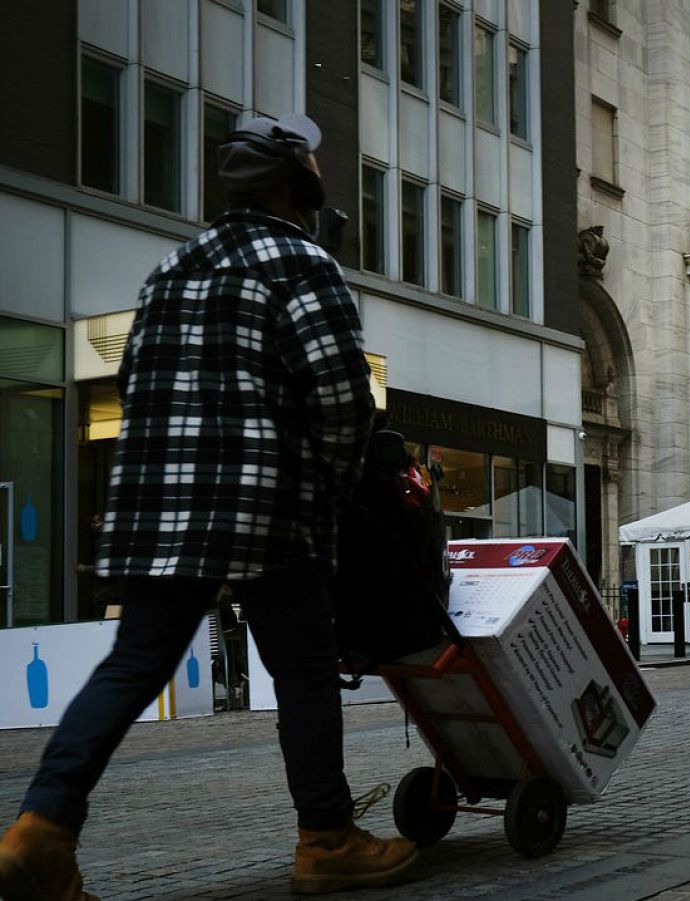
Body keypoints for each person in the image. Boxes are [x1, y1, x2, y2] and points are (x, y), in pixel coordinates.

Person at [0, 114, 415, 901]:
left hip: (158, 502)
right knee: (302, 666)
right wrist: (326, 490)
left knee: (133, 662)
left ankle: (40, 832)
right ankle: (325, 837)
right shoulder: (302, 262)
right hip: (265, 503)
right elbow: (341, 398)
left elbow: (133, 386)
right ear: (303, 188)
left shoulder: (173, 267)